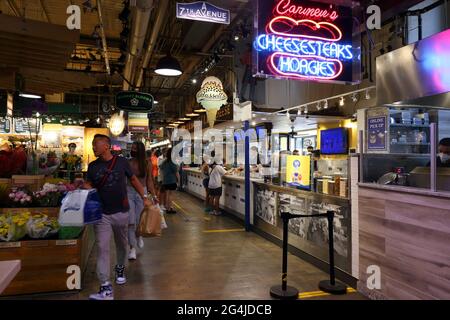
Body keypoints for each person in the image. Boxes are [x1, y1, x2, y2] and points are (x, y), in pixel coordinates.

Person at [84, 134, 151, 300]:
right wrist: (84, 188)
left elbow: (134, 180)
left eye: (95, 144)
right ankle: (105, 286)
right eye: (93, 144)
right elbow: (89, 183)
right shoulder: (92, 166)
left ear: (106, 145)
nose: (93, 147)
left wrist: (144, 197)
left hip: (121, 211)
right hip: (102, 214)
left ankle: (120, 267)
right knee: (102, 247)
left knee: (122, 244)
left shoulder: (122, 162)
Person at [127, 142, 157, 261]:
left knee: (140, 220)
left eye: (135, 148)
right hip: (128, 191)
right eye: (132, 148)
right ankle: (132, 249)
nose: (132, 150)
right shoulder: (128, 163)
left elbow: (149, 180)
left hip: (142, 194)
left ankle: (139, 236)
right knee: (130, 222)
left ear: (140, 150)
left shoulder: (147, 163)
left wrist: (154, 195)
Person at [160, 148, 179, 214]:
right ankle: (170, 208)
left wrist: (162, 179)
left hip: (165, 181)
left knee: (167, 194)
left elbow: (161, 169)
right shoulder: (172, 162)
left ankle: (166, 207)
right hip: (172, 180)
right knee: (171, 195)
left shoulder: (165, 161)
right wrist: (178, 180)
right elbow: (176, 172)